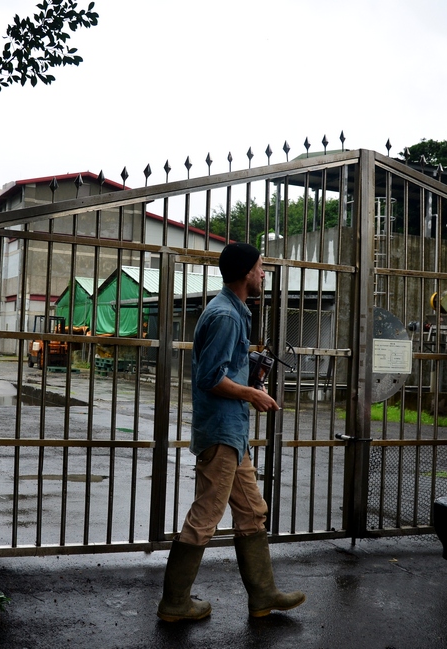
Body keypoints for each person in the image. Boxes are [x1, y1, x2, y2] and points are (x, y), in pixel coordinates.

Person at [157, 242, 306, 622]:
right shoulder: (225, 315)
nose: (262, 273)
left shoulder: (235, 311)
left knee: (252, 512)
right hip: (222, 434)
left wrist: (249, 381)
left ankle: (263, 595)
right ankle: (174, 603)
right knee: (206, 516)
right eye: (259, 267)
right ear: (244, 273)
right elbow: (209, 378)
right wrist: (250, 392)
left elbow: (225, 371)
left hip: (232, 433)